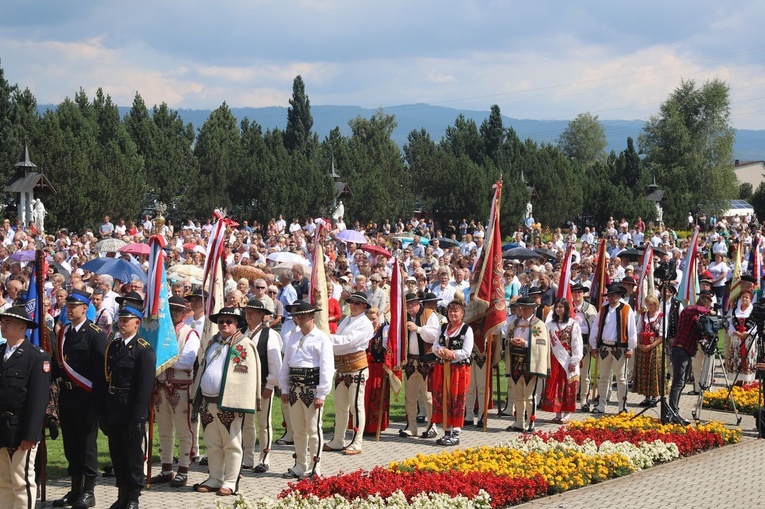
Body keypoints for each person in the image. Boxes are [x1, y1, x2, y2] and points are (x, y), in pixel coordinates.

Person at [190, 307, 258, 496]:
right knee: (212, 443)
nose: (224, 324)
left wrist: (239, 403)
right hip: (208, 401)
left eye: (229, 321)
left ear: (237, 324)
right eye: (221, 321)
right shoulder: (213, 342)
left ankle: (230, 481)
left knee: (232, 443)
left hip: (229, 403)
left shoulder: (243, 344)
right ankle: (215, 478)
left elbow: (247, 377)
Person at [96, 301, 156, 509]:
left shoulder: (143, 350)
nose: (121, 324)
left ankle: (133, 497)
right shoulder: (113, 346)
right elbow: (106, 379)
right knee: (117, 454)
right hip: (114, 408)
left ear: (137, 323)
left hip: (131, 409)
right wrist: (103, 411)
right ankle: (122, 494)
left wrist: (138, 417)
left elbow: (144, 386)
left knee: (132, 456)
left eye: (126, 321)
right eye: (120, 320)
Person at [51, 289, 107, 509]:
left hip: (86, 398)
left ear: (85, 308)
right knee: (71, 446)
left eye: (74, 306)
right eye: (68, 306)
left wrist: (97, 405)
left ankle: (89, 491)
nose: (70, 309)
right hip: (67, 397)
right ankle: (75, 490)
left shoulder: (95, 334)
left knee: (87, 447)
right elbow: (57, 366)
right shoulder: (63, 333)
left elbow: (101, 374)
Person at [0, 306, 50, 509]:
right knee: (4, 481)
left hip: (21, 427)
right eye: (3, 322)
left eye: (8, 322)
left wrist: (30, 434)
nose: (3, 325)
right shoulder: (1, 353)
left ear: (23, 327)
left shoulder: (36, 356)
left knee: (21, 481)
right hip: (2, 425)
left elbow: (38, 399)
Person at [278, 300, 334, 479]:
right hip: (295, 389)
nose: (298, 318)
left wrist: (321, 393)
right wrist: (285, 388)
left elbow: (327, 367)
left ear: (312, 316)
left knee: (313, 428)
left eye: (302, 315)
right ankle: (300, 464)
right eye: (296, 315)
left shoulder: (322, 338)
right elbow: (286, 364)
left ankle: (315, 466)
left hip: (311, 388)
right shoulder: (293, 337)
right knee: (298, 429)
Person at [149, 296, 200, 488]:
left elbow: (188, 361)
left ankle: (184, 469)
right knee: (164, 430)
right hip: (161, 386)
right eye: (170, 310)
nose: (173, 314)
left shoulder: (189, 334)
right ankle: (166, 468)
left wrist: (164, 360)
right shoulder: (161, 332)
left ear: (185, 314)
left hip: (181, 388)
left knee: (183, 430)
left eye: (177, 310)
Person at [324, 292, 374, 455]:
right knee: (340, 406)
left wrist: (326, 338)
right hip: (343, 368)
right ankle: (338, 439)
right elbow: (340, 343)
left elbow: (347, 342)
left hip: (356, 368)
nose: (353, 305)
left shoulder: (365, 324)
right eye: (352, 302)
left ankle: (357, 442)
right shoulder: (347, 319)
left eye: (357, 303)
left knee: (356, 406)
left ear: (364, 306)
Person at [241, 298, 282, 474]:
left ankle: (264, 458)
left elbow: (275, 363)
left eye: (253, 312)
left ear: (261, 315)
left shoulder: (270, 334)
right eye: (247, 311)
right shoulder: (242, 332)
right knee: (246, 424)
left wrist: (271, 384)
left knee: (264, 423)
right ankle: (247, 458)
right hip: (243, 386)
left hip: (262, 386)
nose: (248, 314)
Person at [589, 284, 637, 415]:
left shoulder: (627, 310)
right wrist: (594, 345)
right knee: (603, 377)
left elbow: (631, 329)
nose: (610, 297)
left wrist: (630, 347)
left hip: (620, 348)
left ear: (619, 296)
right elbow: (596, 328)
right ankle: (601, 404)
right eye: (609, 295)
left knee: (621, 378)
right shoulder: (603, 310)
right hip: (604, 347)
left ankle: (622, 406)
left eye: (613, 295)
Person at [669, 290, 715, 425]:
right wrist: (709, 312)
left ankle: (674, 410)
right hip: (679, 349)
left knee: (681, 383)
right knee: (678, 382)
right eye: (707, 308)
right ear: (704, 306)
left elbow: (700, 334)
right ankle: (672, 411)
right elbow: (692, 309)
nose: (707, 311)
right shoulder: (688, 310)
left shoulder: (697, 319)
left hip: (686, 351)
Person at [431, 298, 473, 446]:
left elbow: (467, 351)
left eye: (456, 311)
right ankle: (446, 431)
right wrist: (441, 351)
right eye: (450, 310)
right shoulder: (442, 328)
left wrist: (452, 354)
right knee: (443, 398)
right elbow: (434, 346)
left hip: (458, 370)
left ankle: (456, 432)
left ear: (462, 313)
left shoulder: (467, 329)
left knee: (456, 399)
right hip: (442, 368)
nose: (453, 313)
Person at [504, 296, 550, 432]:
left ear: (532, 309)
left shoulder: (539, 325)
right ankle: (519, 422)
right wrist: (511, 341)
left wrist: (525, 343)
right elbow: (506, 339)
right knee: (518, 394)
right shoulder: (514, 324)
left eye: (525, 308)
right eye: (521, 308)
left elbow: (542, 344)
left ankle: (531, 422)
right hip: (516, 362)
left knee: (530, 395)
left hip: (531, 362)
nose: (522, 310)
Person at [400, 292, 440, 439]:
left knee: (428, 396)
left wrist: (418, 329)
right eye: (407, 306)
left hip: (426, 361)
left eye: (412, 305)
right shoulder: (404, 317)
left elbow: (435, 334)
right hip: (410, 361)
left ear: (419, 303)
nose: (410, 308)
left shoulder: (430, 314)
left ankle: (432, 425)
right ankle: (411, 426)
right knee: (410, 396)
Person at [541, 298, 583, 424]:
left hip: (568, 360)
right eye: (557, 307)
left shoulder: (573, 324)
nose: (558, 309)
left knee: (568, 386)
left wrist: (574, 361)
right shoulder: (549, 325)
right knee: (556, 385)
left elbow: (577, 344)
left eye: (561, 307)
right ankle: (558, 412)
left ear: (566, 309)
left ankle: (567, 413)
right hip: (554, 360)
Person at [362, 306, 395, 434]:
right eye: (369, 319)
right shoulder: (366, 330)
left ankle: (375, 426)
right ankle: (363, 426)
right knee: (364, 396)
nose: (371, 321)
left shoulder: (384, 330)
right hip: (367, 366)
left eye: (374, 319)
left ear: (378, 317)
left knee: (376, 396)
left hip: (378, 367)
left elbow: (387, 349)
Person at [571, 283, 597, 412]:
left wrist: (594, 346)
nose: (577, 294)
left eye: (579, 292)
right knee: (571, 373)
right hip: (571, 345)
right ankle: (571, 399)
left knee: (585, 373)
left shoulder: (590, 308)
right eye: (575, 292)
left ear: (583, 293)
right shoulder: (567, 307)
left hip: (585, 343)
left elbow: (594, 328)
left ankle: (584, 400)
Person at [633, 295, 664, 407]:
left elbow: (662, 335)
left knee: (654, 370)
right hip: (643, 347)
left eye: (651, 304)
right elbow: (638, 330)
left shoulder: (661, 316)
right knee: (644, 370)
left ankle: (654, 396)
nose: (649, 306)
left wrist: (651, 346)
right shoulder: (643, 316)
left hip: (655, 348)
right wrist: (639, 344)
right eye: (647, 304)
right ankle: (646, 396)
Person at [727, 290, 756, 383]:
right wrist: (735, 332)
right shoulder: (734, 310)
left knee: (747, 357)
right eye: (743, 297)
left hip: (748, 338)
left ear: (750, 299)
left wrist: (747, 333)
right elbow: (729, 322)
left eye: (747, 297)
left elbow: (756, 325)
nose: (744, 299)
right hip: (736, 338)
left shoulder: (753, 311)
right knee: (736, 357)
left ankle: (747, 380)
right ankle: (738, 380)